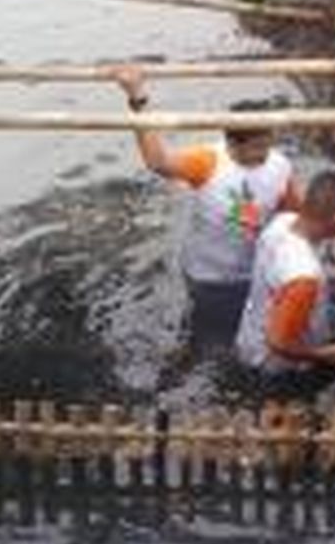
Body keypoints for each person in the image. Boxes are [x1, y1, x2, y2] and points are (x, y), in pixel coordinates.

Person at [113, 66, 300, 352]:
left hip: (252, 273)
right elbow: (158, 163)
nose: (264, 154)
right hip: (208, 276)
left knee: (249, 334)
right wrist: (137, 98)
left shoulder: (280, 165)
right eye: (256, 148)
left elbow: (292, 216)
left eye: (268, 143)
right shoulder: (209, 162)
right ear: (231, 142)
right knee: (208, 338)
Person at [234, 171, 335, 394]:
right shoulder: (305, 277)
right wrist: (326, 354)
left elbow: (293, 276)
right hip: (276, 368)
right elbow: (278, 342)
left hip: (249, 339)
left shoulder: (283, 222)